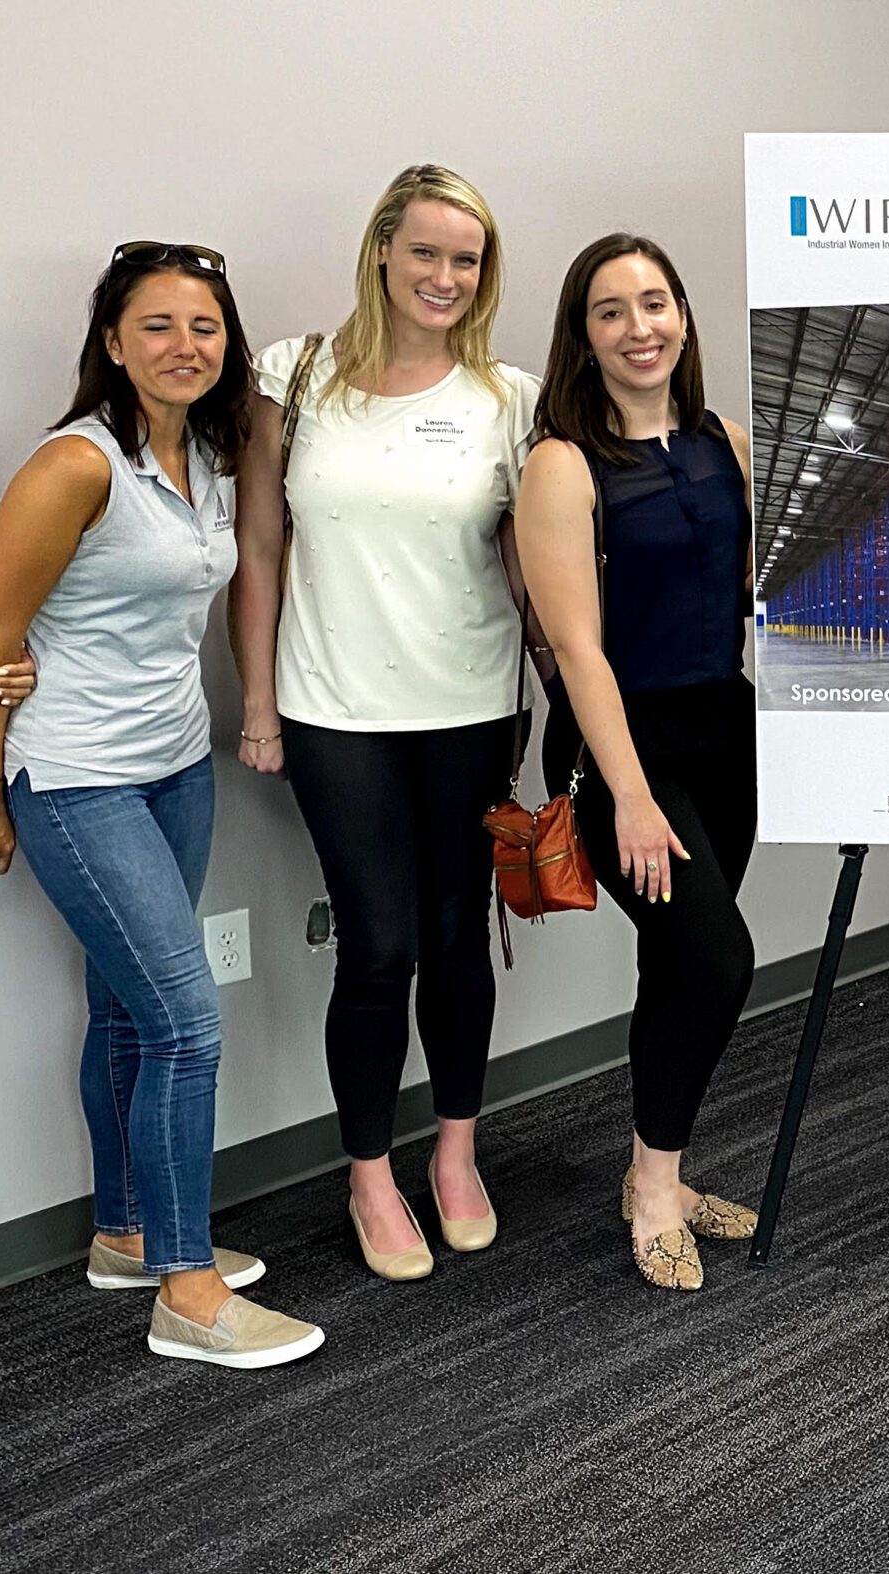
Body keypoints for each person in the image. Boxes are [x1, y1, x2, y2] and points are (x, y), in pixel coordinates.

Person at [0, 243, 321, 1367]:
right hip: (75, 778)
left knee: (123, 1010)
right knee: (184, 1023)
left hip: (174, 765)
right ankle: (187, 1289)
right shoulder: (76, 465)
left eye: (204, 326)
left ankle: (125, 1233)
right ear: (112, 341)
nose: (183, 346)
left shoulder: (211, 453)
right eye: (156, 325)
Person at [228, 165, 540, 1280]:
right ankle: (369, 1174)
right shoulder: (296, 373)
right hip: (334, 710)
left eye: (467, 259)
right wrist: (257, 703)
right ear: (381, 252)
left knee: (457, 938)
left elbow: (532, 565)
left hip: (473, 706)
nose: (445, 276)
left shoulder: (510, 396)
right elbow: (259, 544)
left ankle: (455, 1152)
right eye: (426, 252)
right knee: (378, 946)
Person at [518, 234, 759, 1291]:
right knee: (717, 958)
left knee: (677, 964)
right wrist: (628, 794)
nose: (638, 327)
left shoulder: (725, 442)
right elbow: (576, 649)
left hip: (724, 736)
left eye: (654, 302)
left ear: (683, 317)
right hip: (622, 748)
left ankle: (649, 1168)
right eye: (610, 311)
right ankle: (658, 1191)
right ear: (584, 337)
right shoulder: (563, 464)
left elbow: (745, 594)